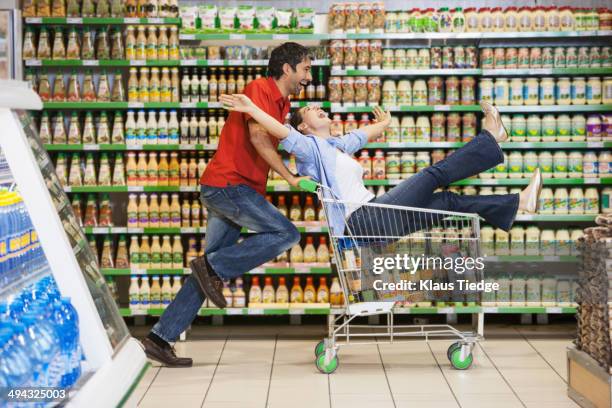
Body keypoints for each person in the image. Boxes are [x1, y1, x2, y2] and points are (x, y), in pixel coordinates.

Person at [141, 42, 313, 367]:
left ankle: (159, 338)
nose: (308, 75)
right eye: (305, 68)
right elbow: (259, 137)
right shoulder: (259, 89)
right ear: (287, 68)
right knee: (286, 234)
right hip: (230, 185)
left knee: (207, 272)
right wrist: (289, 177)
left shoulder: (282, 101)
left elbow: (281, 138)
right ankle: (212, 269)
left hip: (232, 187)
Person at [219, 94, 543, 241]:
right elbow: (280, 132)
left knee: (446, 202)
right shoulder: (309, 148)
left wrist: (384, 124)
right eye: (309, 110)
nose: (316, 107)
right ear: (303, 127)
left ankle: (518, 205)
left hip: (373, 215)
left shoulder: (333, 146)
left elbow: (362, 135)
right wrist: (251, 108)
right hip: (362, 220)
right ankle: (491, 137)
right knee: (432, 174)